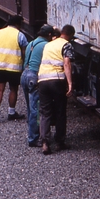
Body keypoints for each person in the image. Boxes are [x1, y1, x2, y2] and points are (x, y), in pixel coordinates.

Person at [37, 24, 75, 154]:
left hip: (42, 80)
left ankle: (45, 143)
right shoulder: (66, 45)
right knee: (60, 111)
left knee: (45, 112)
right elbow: (66, 63)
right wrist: (70, 83)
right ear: (70, 35)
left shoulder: (48, 44)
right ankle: (59, 142)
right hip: (57, 80)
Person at [0, 14, 28, 123]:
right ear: (17, 24)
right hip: (14, 67)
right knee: (13, 89)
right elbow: (24, 53)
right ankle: (11, 112)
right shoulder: (20, 35)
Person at [20, 24, 56, 147]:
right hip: (34, 75)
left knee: (30, 108)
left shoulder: (31, 43)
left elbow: (25, 61)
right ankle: (33, 138)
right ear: (49, 35)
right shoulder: (46, 45)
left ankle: (32, 134)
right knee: (36, 109)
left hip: (25, 74)